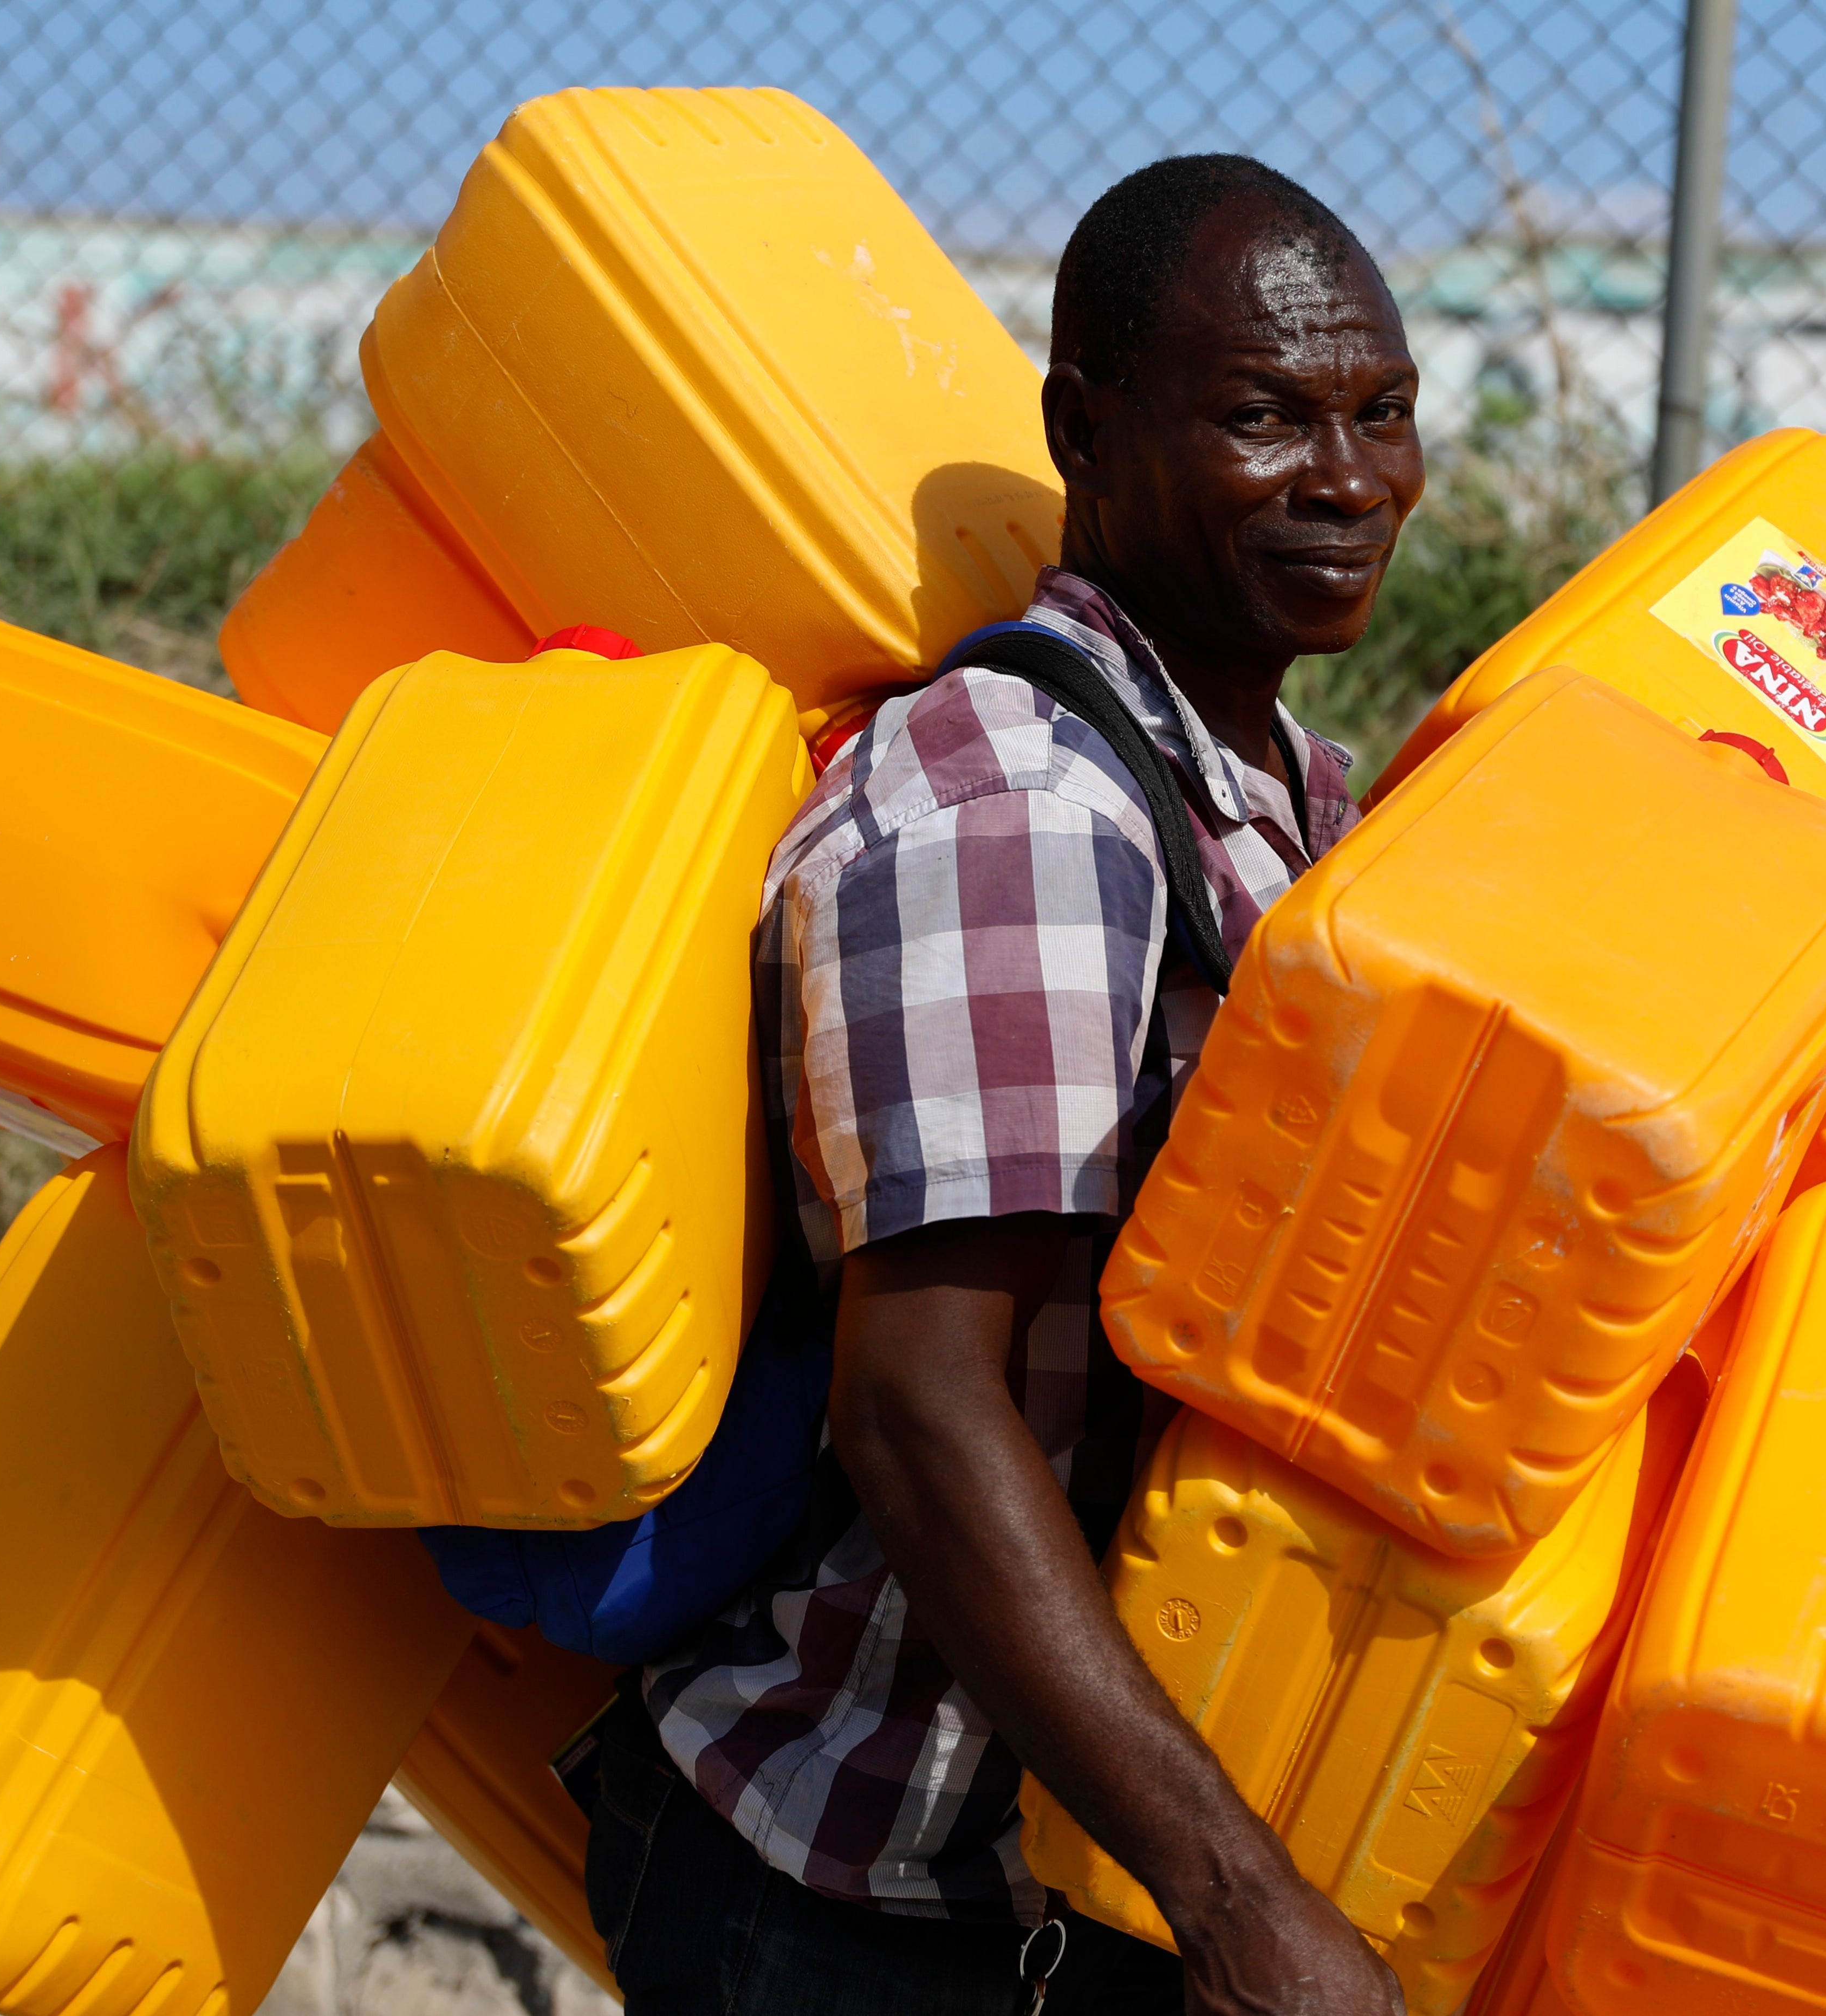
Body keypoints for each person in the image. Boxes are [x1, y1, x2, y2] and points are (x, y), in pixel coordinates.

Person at [580, 152, 1425, 2016]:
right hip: (861, 1903)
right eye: (1266, 416)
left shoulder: (1284, 792)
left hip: (1078, 1879)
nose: (1350, 480)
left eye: (1382, 413)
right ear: (1085, 429)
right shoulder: (1024, 812)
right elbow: (923, 1409)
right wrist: (1242, 1901)